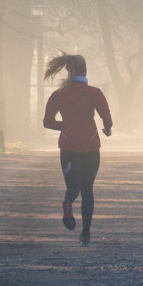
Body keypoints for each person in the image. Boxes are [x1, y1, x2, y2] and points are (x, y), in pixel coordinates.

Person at [42, 53, 113, 246]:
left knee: (73, 187)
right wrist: (107, 129)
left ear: (68, 71)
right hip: (90, 146)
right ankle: (86, 235)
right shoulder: (94, 93)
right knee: (88, 189)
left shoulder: (58, 95)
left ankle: (68, 201)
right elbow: (105, 116)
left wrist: (65, 126)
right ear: (85, 71)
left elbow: (47, 122)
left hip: (68, 146)